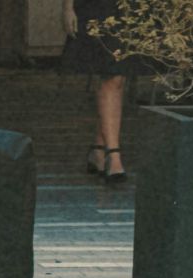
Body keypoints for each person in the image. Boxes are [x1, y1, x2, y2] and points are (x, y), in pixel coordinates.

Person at [62, 0, 157, 182]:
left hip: (134, 6)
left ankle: (99, 149)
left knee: (118, 76)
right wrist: (67, 7)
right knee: (112, 75)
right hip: (99, 8)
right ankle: (113, 156)